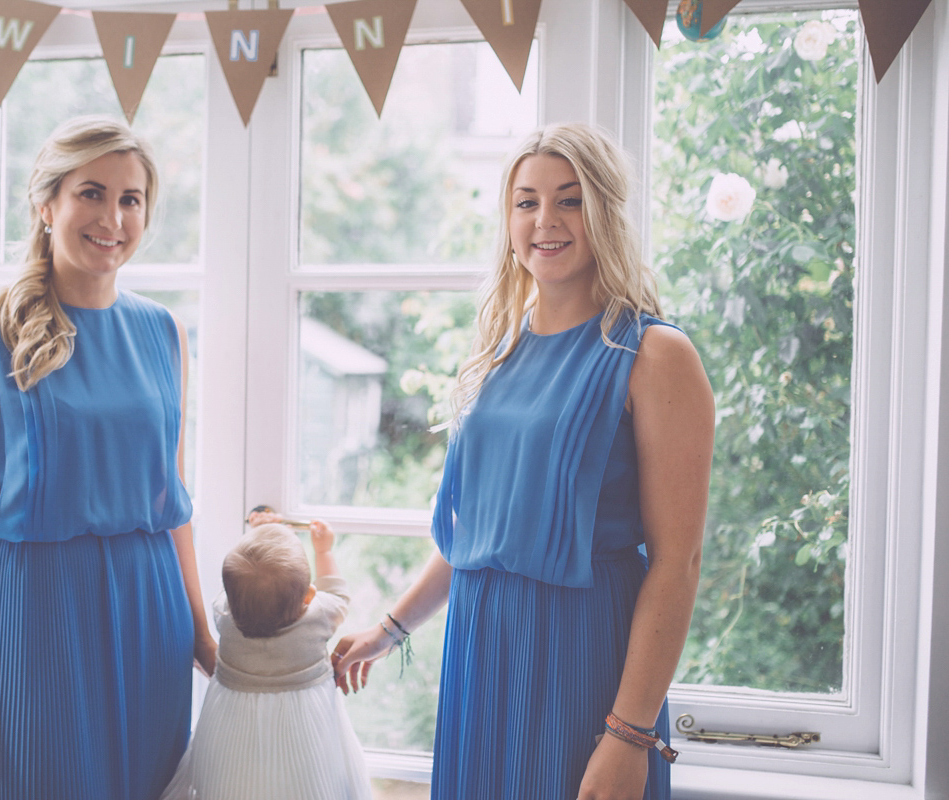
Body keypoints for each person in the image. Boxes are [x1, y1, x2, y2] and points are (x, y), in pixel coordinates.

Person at [332, 123, 714, 800]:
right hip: (480, 655)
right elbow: (479, 537)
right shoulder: (497, 353)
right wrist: (389, 630)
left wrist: (630, 734)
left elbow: (679, 561)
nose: (546, 220)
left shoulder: (655, 355)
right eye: (526, 201)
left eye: (569, 200)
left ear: (605, 213)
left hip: (582, 661)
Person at [0, 115, 216, 800]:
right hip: (31, 620)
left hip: (150, 619)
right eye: (91, 192)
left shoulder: (163, 332)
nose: (112, 216)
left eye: (131, 199)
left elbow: (171, 500)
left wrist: (203, 638)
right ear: (46, 203)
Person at [161, 514, 371, 800]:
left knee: (236, 777)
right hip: (304, 723)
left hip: (232, 720)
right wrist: (323, 551)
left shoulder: (225, 613)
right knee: (304, 779)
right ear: (309, 596)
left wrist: (261, 533)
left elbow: (245, 586)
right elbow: (337, 594)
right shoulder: (319, 615)